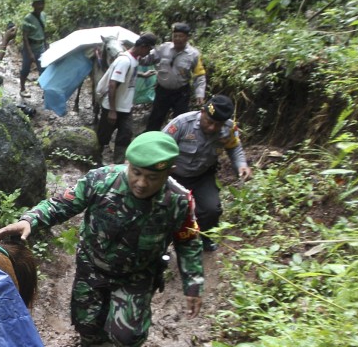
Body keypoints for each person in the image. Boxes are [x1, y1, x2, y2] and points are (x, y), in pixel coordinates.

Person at [0, 131, 204, 347]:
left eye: (152, 177)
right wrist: (30, 220)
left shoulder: (179, 201)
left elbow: (188, 240)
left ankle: (130, 340)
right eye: (136, 173)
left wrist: (193, 284)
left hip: (137, 276)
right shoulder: (101, 180)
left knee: (127, 335)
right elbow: (61, 204)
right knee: (88, 325)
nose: (141, 183)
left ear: (169, 171)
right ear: (127, 163)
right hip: (93, 268)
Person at [163, 94, 252, 252]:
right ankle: (165, 242)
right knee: (167, 208)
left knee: (212, 209)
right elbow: (159, 144)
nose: (212, 128)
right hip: (174, 175)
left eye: (217, 125)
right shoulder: (182, 123)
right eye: (209, 122)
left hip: (202, 176)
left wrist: (241, 165)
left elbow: (234, 148)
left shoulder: (229, 128)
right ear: (202, 112)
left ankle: (206, 238)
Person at [97, 33, 158, 164]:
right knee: (103, 137)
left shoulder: (134, 59)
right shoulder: (124, 60)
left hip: (125, 106)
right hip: (112, 107)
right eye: (148, 49)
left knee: (125, 135)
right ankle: (96, 160)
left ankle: (118, 164)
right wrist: (112, 111)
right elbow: (112, 84)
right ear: (143, 46)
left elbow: (128, 75)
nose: (148, 53)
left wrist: (143, 74)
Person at [142, 22, 207, 133]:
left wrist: (200, 93)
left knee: (181, 121)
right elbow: (147, 59)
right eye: (175, 36)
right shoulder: (163, 48)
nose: (177, 39)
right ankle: (149, 141)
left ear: (187, 37)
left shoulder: (193, 54)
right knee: (155, 119)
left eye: (180, 36)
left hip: (181, 93)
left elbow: (199, 75)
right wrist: (136, 54)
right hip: (162, 91)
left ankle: (178, 145)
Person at [19, 0, 47, 98]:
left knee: (43, 69)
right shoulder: (28, 18)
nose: (40, 6)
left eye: (42, 3)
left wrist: (46, 45)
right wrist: (30, 53)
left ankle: (45, 91)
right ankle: (22, 89)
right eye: (38, 3)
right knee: (25, 69)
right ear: (33, 5)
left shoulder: (43, 15)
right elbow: (25, 37)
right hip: (30, 47)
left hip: (41, 47)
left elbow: (43, 31)